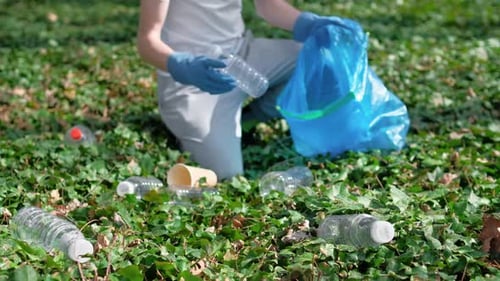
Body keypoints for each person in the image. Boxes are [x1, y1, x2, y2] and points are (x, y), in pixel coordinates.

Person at [137, 0, 361, 180]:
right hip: (191, 83)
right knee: (226, 175)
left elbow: (269, 6)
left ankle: (250, 118)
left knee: (321, 63)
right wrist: (182, 66)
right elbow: (147, 42)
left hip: (241, 56)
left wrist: (309, 23)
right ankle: (189, 131)